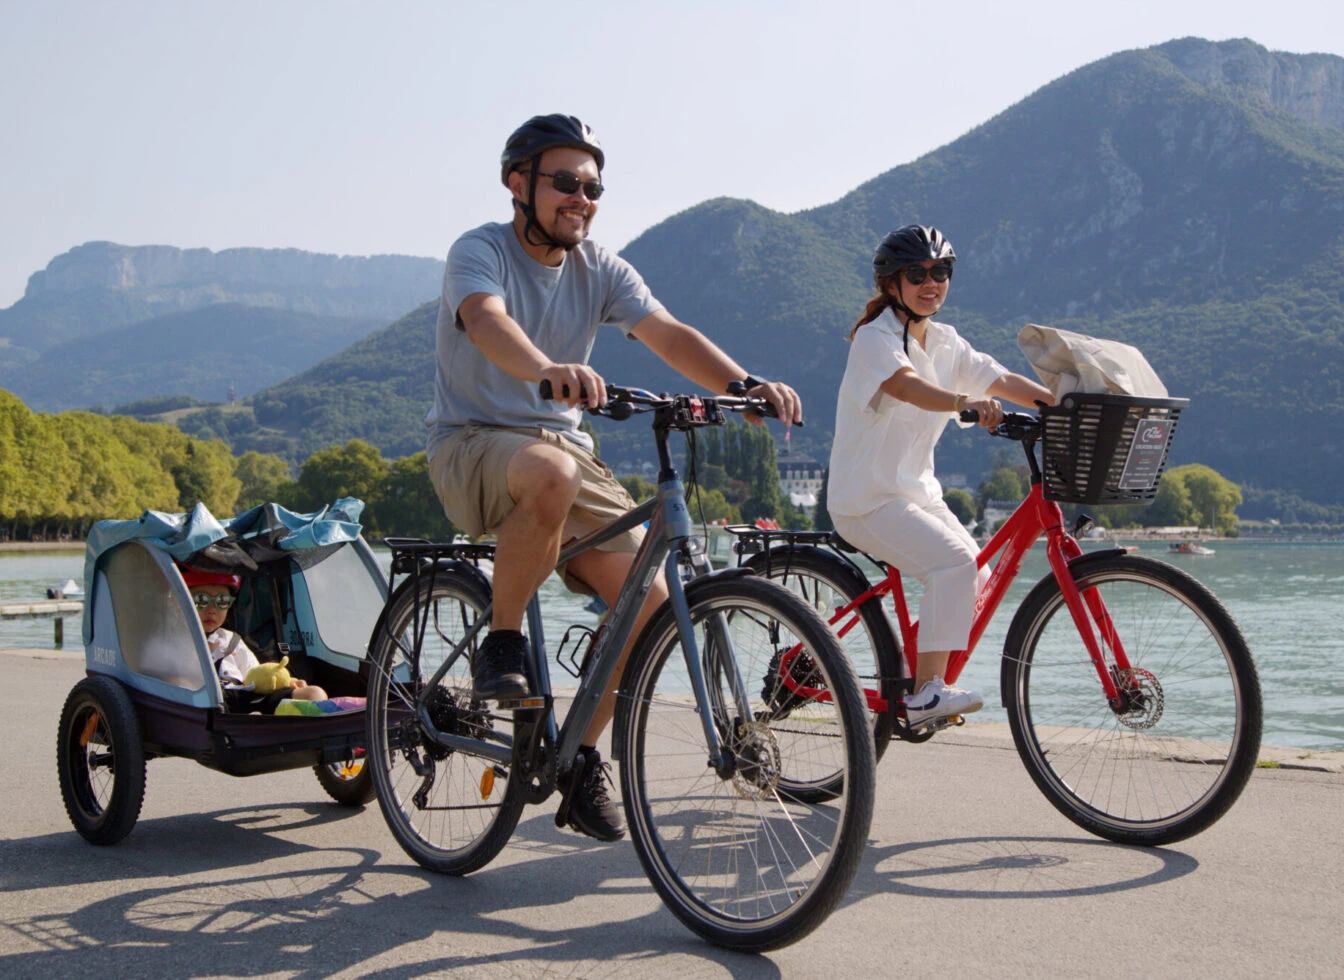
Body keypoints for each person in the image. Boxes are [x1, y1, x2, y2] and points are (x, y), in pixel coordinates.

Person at [426, 113, 802, 841]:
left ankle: (578, 758)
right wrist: (545, 370)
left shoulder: (601, 265)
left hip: (562, 453)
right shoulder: (480, 251)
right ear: (519, 183)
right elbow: (485, 320)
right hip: (473, 441)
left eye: (593, 186)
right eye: (565, 182)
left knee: (652, 606)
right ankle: (502, 641)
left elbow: (667, 333)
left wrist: (745, 383)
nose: (582, 197)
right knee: (552, 471)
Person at [827, 225, 1054, 725]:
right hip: (866, 499)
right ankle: (928, 691)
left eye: (941, 272)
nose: (931, 282)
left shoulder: (947, 342)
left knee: (977, 575)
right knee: (954, 564)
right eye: (918, 274)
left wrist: (1066, 407)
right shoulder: (874, 337)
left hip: (916, 493)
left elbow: (1002, 380)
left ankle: (909, 670)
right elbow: (905, 385)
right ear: (891, 283)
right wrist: (961, 403)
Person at [180, 566, 328, 712]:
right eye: (201, 600)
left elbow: (256, 676)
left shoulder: (231, 640)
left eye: (222, 601)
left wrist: (289, 682)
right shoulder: (175, 640)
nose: (212, 609)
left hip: (245, 699)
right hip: (206, 706)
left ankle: (305, 731)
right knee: (180, 683)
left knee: (314, 693)